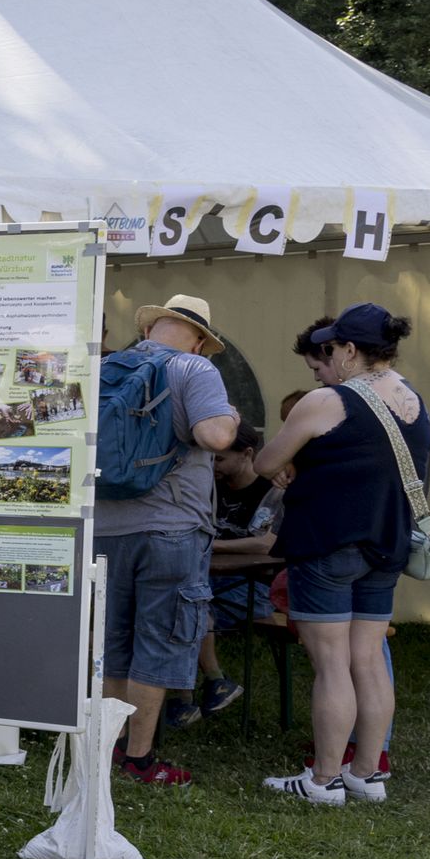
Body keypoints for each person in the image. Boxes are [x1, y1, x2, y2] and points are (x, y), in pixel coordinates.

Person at [254, 304, 429, 804]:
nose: (327, 356)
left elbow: (267, 461)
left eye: (331, 349)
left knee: (332, 665)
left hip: (328, 543)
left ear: (350, 351)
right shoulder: (413, 400)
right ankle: (366, 775)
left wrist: (290, 465)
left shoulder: (327, 400)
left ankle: (324, 779)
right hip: (388, 545)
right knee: (369, 660)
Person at [95, 294, 240, 786]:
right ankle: (140, 758)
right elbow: (217, 437)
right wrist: (233, 417)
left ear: (152, 325)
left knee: (113, 641)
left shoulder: (105, 368)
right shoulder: (194, 370)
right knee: (156, 641)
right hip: (172, 528)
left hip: (105, 527)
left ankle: (109, 748)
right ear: (200, 340)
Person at [163, 421, 281, 730]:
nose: (214, 466)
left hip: (253, 586)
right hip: (213, 580)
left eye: (221, 459)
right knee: (181, 606)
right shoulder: (211, 486)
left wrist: (211, 544)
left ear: (247, 454)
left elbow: (266, 543)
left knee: (189, 608)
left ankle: (188, 696)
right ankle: (205, 688)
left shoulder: (270, 491)